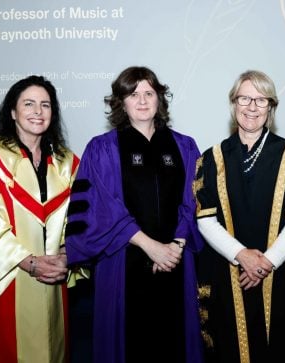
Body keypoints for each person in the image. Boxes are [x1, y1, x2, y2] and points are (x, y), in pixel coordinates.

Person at [65, 66, 204, 363]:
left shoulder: (185, 146)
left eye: (149, 93)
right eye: (133, 94)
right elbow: (99, 207)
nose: (142, 101)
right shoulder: (101, 149)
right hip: (122, 262)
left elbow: (196, 201)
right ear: (121, 102)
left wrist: (176, 247)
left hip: (176, 263)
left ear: (160, 99)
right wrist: (151, 246)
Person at [195, 70, 285, 363]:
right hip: (228, 272)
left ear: (271, 107)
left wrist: (266, 262)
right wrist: (241, 255)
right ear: (233, 104)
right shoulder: (210, 159)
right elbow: (204, 219)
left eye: (261, 99)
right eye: (244, 98)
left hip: (282, 274)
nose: (252, 107)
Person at [0, 75, 79, 362]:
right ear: (13, 112)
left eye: (45, 105)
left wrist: (67, 255)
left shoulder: (67, 162)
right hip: (8, 279)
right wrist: (30, 262)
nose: (38, 111)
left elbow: (82, 217)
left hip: (55, 277)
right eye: (29, 103)